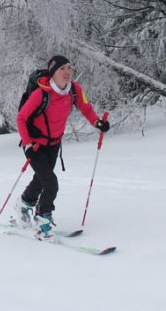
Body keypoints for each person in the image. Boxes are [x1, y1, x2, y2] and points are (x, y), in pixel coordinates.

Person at [15, 55, 110, 239]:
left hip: (54, 144)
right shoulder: (41, 94)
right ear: (53, 72)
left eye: (69, 67)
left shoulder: (74, 89)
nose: (67, 72)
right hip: (35, 145)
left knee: (42, 179)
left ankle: (24, 204)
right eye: (62, 69)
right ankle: (43, 221)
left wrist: (97, 122)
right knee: (51, 183)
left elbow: (86, 108)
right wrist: (27, 143)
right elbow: (21, 118)